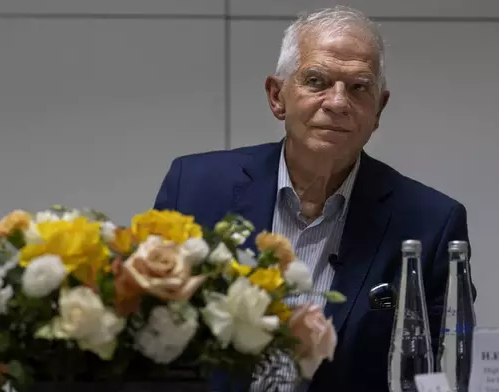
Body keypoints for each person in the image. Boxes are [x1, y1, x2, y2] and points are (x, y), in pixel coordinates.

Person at [153, 5, 475, 392]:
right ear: (277, 96)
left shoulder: (431, 224)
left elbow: (448, 371)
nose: (338, 103)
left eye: (359, 87)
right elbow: (150, 337)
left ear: (378, 109)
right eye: (317, 80)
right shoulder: (195, 188)